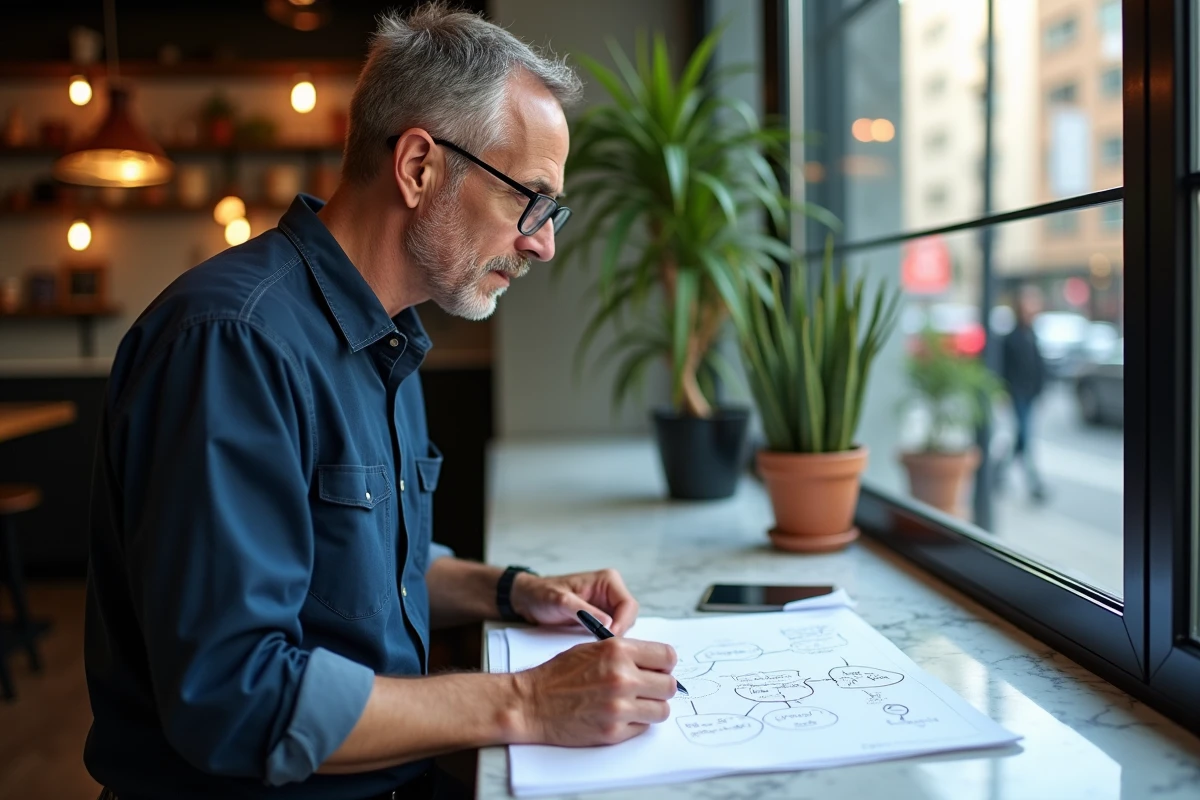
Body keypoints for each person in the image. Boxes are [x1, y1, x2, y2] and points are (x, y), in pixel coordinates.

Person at [83, 6, 678, 799]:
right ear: (420, 167)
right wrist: (527, 700)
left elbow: (363, 566)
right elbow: (231, 697)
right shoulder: (231, 344)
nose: (544, 242)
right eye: (528, 200)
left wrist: (513, 589)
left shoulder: (385, 336)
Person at [997, 288, 1048, 503]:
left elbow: (1038, 365)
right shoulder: (1011, 338)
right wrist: (1003, 392)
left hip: (1029, 394)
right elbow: (1003, 368)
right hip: (1017, 394)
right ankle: (1034, 484)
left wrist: (1041, 389)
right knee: (1025, 438)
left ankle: (997, 472)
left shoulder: (1032, 334)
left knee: (1021, 439)